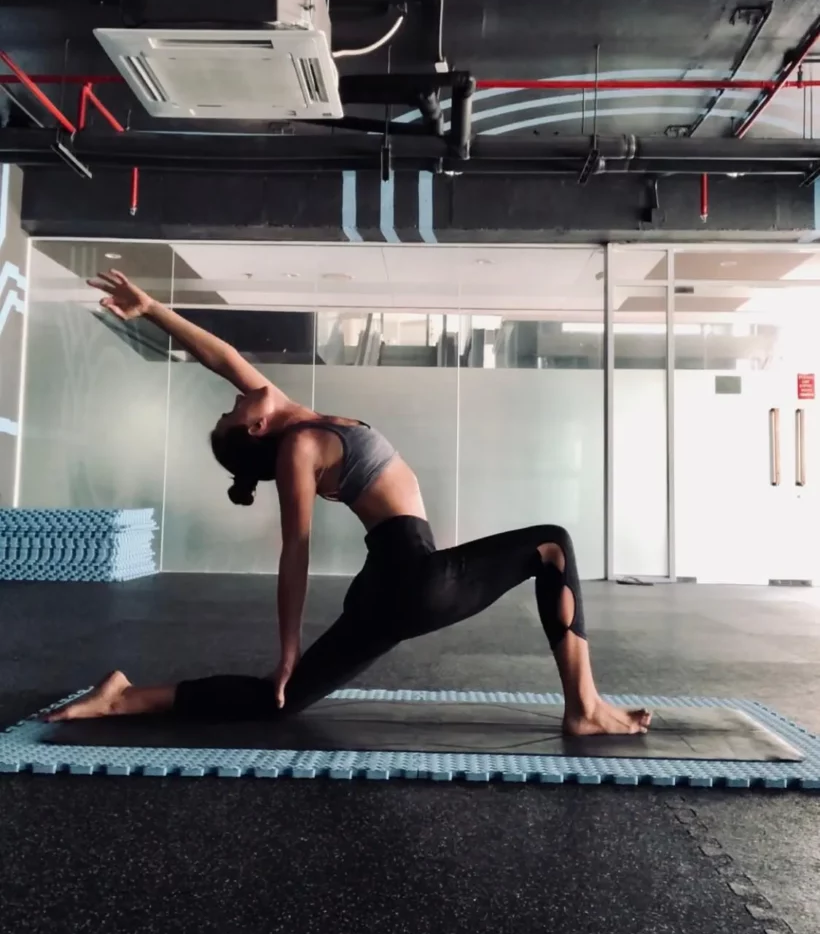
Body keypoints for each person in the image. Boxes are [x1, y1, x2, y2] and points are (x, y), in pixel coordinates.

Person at [48, 270, 651, 736]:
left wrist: (152, 309)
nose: (234, 397)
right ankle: (585, 707)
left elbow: (219, 354)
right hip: (411, 577)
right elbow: (296, 551)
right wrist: (287, 651)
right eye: (232, 411)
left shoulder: (291, 414)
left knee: (276, 703)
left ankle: (127, 697)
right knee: (552, 544)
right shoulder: (300, 448)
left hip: (390, 586)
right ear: (254, 431)